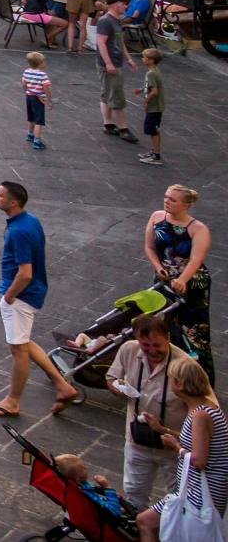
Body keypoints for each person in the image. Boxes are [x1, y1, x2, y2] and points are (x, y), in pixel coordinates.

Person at [0, 180, 80, 419]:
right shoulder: (31, 221)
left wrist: (9, 296)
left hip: (21, 296)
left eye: (0, 195)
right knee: (24, 342)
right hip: (32, 292)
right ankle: (62, 385)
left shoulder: (19, 231)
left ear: (13, 202)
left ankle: (13, 401)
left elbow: (25, 272)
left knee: (18, 350)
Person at [131, 357, 226, 542]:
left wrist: (176, 448)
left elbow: (199, 460)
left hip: (201, 491)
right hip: (201, 488)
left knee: (145, 522)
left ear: (180, 384)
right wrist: (162, 429)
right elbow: (199, 441)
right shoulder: (206, 408)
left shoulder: (200, 415)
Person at [108, 314, 190, 503]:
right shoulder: (128, 350)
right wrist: (118, 389)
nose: (152, 351)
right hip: (137, 440)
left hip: (173, 446)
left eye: (157, 345)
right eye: (146, 346)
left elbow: (203, 405)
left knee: (180, 497)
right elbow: (111, 377)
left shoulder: (185, 365)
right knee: (134, 493)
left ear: (168, 338)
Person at [146, 185, 212, 382]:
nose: (167, 201)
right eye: (166, 197)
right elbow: (149, 246)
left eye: (173, 200)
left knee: (194, 331)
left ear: (186, 205)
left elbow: (196, 260)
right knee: (164, 324)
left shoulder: (198, 229)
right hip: (164, 277)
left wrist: (183, 279)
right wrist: (158, 267)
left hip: (191, 282)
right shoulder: (157, 217)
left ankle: (201, 377)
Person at [96, 0, 140, 142]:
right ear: (116, 5)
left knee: (107, 93)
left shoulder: (116, 21)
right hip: (110, 63)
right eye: (124, 4)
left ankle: (108, 124)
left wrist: (128, 58)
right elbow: (101, 43)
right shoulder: (106, 21)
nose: (126, 6)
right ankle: (123, 128)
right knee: (117, 95)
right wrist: (108, 63)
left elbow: (119, 42)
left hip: (114, 61)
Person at [22, 51, 52, 152]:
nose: (45, 63)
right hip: (39, 99)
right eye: (44, 61)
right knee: (39, 120)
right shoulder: (43, 75)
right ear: (40, 63)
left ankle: (30, 134)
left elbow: (23, 83)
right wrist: (49, 99)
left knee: (31, 117)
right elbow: (46, 87)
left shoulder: (26, 71)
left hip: (29, 96)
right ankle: (37, 141)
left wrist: (26, 90)